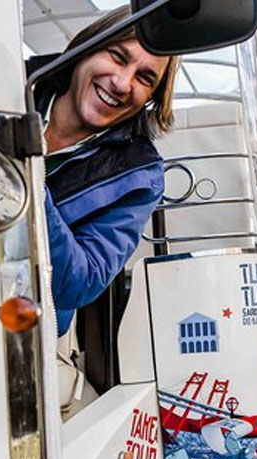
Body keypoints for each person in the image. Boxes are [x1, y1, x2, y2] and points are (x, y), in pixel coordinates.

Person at [30, 7, 181, 338]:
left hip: (32, 328)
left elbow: (78, 284)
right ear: (87, 48)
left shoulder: (139, 175)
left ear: (151, 99)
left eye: (145, 78)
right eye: (117, 56)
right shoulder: (12, 84)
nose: (122, 83)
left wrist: (30, 178)